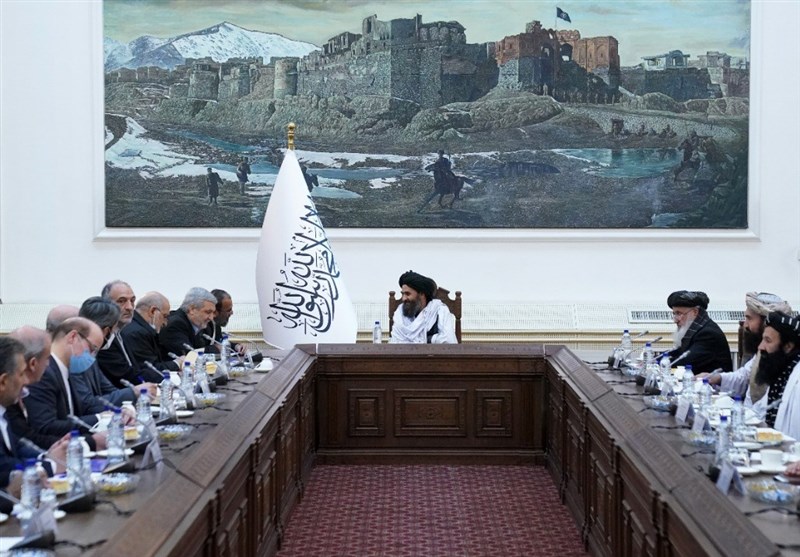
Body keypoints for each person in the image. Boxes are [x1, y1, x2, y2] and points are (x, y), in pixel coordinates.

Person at [25, 318, 133, 447]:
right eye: (92, 349)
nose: (92, 357)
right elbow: (46, 426)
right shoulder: (46, 373)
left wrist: (115, 413)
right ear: (73, 337)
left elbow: (81, 410)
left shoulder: (68, 370)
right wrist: (99, 420)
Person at [5, 327, 104, 454]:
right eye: (47, 358)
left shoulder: (66, 370)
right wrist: (87, 443)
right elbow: (32, 436)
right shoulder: (13, 395)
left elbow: (24, 441)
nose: (48, 364)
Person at [702, 292, 792, 416]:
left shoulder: (782, 358)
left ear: (765, 323)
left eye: (749, 318)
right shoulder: (763, 351)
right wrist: (717, 378)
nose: (745, 325)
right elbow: (744, 377)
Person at [0, 337, 67, 498]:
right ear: (3, 382)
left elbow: (16, 446)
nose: (26, 380)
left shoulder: (3, 409)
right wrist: (49, 465)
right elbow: (3, 466)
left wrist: (46, 455)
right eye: (21, 374)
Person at [78, 297, 150, 403]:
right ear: (106, 331)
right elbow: (87, 404)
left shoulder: (91, 355)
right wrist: (134, 392)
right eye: (121, 301)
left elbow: (108, 389)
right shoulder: (77, 359)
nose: (130, 307)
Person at [97, 281, 161, 387]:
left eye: (132, 301)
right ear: (106, 305)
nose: (130, 307)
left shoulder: (120, 333)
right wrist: (167, 377)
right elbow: (128, 377)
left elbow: (136, 370)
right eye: (121, 301)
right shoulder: (104, 340)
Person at [659, 290, 731, 375]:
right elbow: (680, 352)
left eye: (679, 313)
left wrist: (661, 363)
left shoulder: (708, 334)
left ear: (695, 312)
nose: (675, 320)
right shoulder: (697, 329)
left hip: (712, 383)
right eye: (674, 314)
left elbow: (685, 362)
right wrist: (657, 359)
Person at [389, 270, 457, 344]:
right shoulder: (400, 313)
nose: (404, 298)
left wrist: (428, 339)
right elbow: (394, 343)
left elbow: (449, 342)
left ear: (421, 294)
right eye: (403, 294)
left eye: (408, 294)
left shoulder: (439, 310)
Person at [121, 291, 182, 371]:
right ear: (152, 311)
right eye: (165, 316)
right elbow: (149, 370)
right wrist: (177, 363)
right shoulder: (137, 333)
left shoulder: (139, 327)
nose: (165, 323)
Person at [761, 312, 800, 437]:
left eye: (768, 341)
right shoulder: (781, 372)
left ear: (788, 346)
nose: (761, 347)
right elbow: (759, 411)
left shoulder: (797, 381)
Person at [159, 287, 218, 356]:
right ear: (192, 309)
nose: (211, 318)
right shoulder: (176, 324)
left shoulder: (198, 324)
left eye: (213, 313)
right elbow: (189, 355)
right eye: (208, 312)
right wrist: (216, 348)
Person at [203, 289, 246, 356]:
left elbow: (221, 343)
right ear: (215, 311)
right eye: (229, 310)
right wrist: (215, 348)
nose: (232, 313)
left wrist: (237, 346)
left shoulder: (216, 324)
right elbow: (195, 351)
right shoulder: (201, 325)